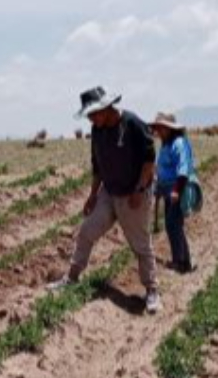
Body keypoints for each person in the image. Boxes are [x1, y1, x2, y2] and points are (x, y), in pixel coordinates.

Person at [48, 87, 161, 313]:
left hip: (133, 194)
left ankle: (152, 291)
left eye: (93, 113)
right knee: (87, 231)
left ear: (106, 108)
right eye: (88, 115)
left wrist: (139, 190)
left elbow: (149, 161)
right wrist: (92, 196)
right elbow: (97, 167)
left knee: (140, 244)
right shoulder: (97, 131)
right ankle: (72, 278)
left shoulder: (133, 124)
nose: (90, 118)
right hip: (109, 193)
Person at [150, 112, 199, 274]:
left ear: (170, 129)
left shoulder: (179, 143)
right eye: (158, 128)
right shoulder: (165, 144)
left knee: (172, 224)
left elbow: (183, 170)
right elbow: (161, 168)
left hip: (177, 188)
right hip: (166, 189)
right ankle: (183, 260)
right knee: (173, 225)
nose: (159, 131)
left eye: (162, 128)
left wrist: (176, 191)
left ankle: (181, 262)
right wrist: (157, 187)